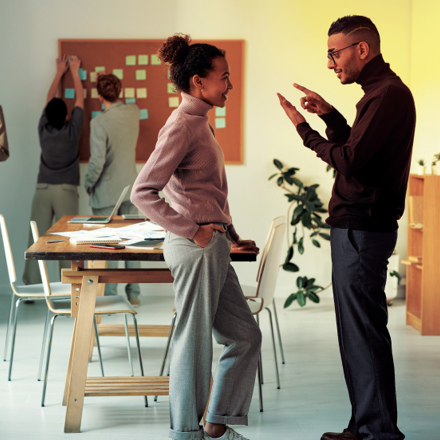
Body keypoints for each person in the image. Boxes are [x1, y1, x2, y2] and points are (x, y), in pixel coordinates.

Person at [277, 15, 415, 440]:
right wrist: (330, 115)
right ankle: (366, 425)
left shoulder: (386, 94)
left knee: (362, 333)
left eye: (334, 54)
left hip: (362, 229)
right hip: (359, 228)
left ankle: (377, 432)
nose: (331, 63)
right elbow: (362, 149)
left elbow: (351, 161)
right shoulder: (378, 93)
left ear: (362, 49)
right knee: (358, 333)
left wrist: (304, 130)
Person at [131, 34, 262, 440]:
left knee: (244, 336)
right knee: (194, 340)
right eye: (223, 77)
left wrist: (229, 232)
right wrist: (194, 230)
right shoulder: (183, 126)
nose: (230, 85)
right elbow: (143, 192)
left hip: (213, 244)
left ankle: (216, 426)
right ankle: (187, 434)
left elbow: (206, 191)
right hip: (196, 247)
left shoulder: (199, 122)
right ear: (197, 83)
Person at [23, 55, 84, 285]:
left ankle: (29, 283)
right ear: (68, 116)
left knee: (36, 237)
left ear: (47, 115)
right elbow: (80, 100)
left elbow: (50, 100)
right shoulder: (72, 131)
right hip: (66, 190)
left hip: (42, 188)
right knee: (67, 239)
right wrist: (75, 72)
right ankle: (68, 285)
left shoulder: (43, 128)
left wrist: (59, 72)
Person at [84, 73, 141, 306]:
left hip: (107, 193)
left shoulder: (98, 123)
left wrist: (88, 183)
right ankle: (134, 294)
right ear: (119, 92)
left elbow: (97, 162)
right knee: (132, 241)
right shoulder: (134, 113)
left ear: (99, 97)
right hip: (131, 187)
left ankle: (109, 295)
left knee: (107, 244)